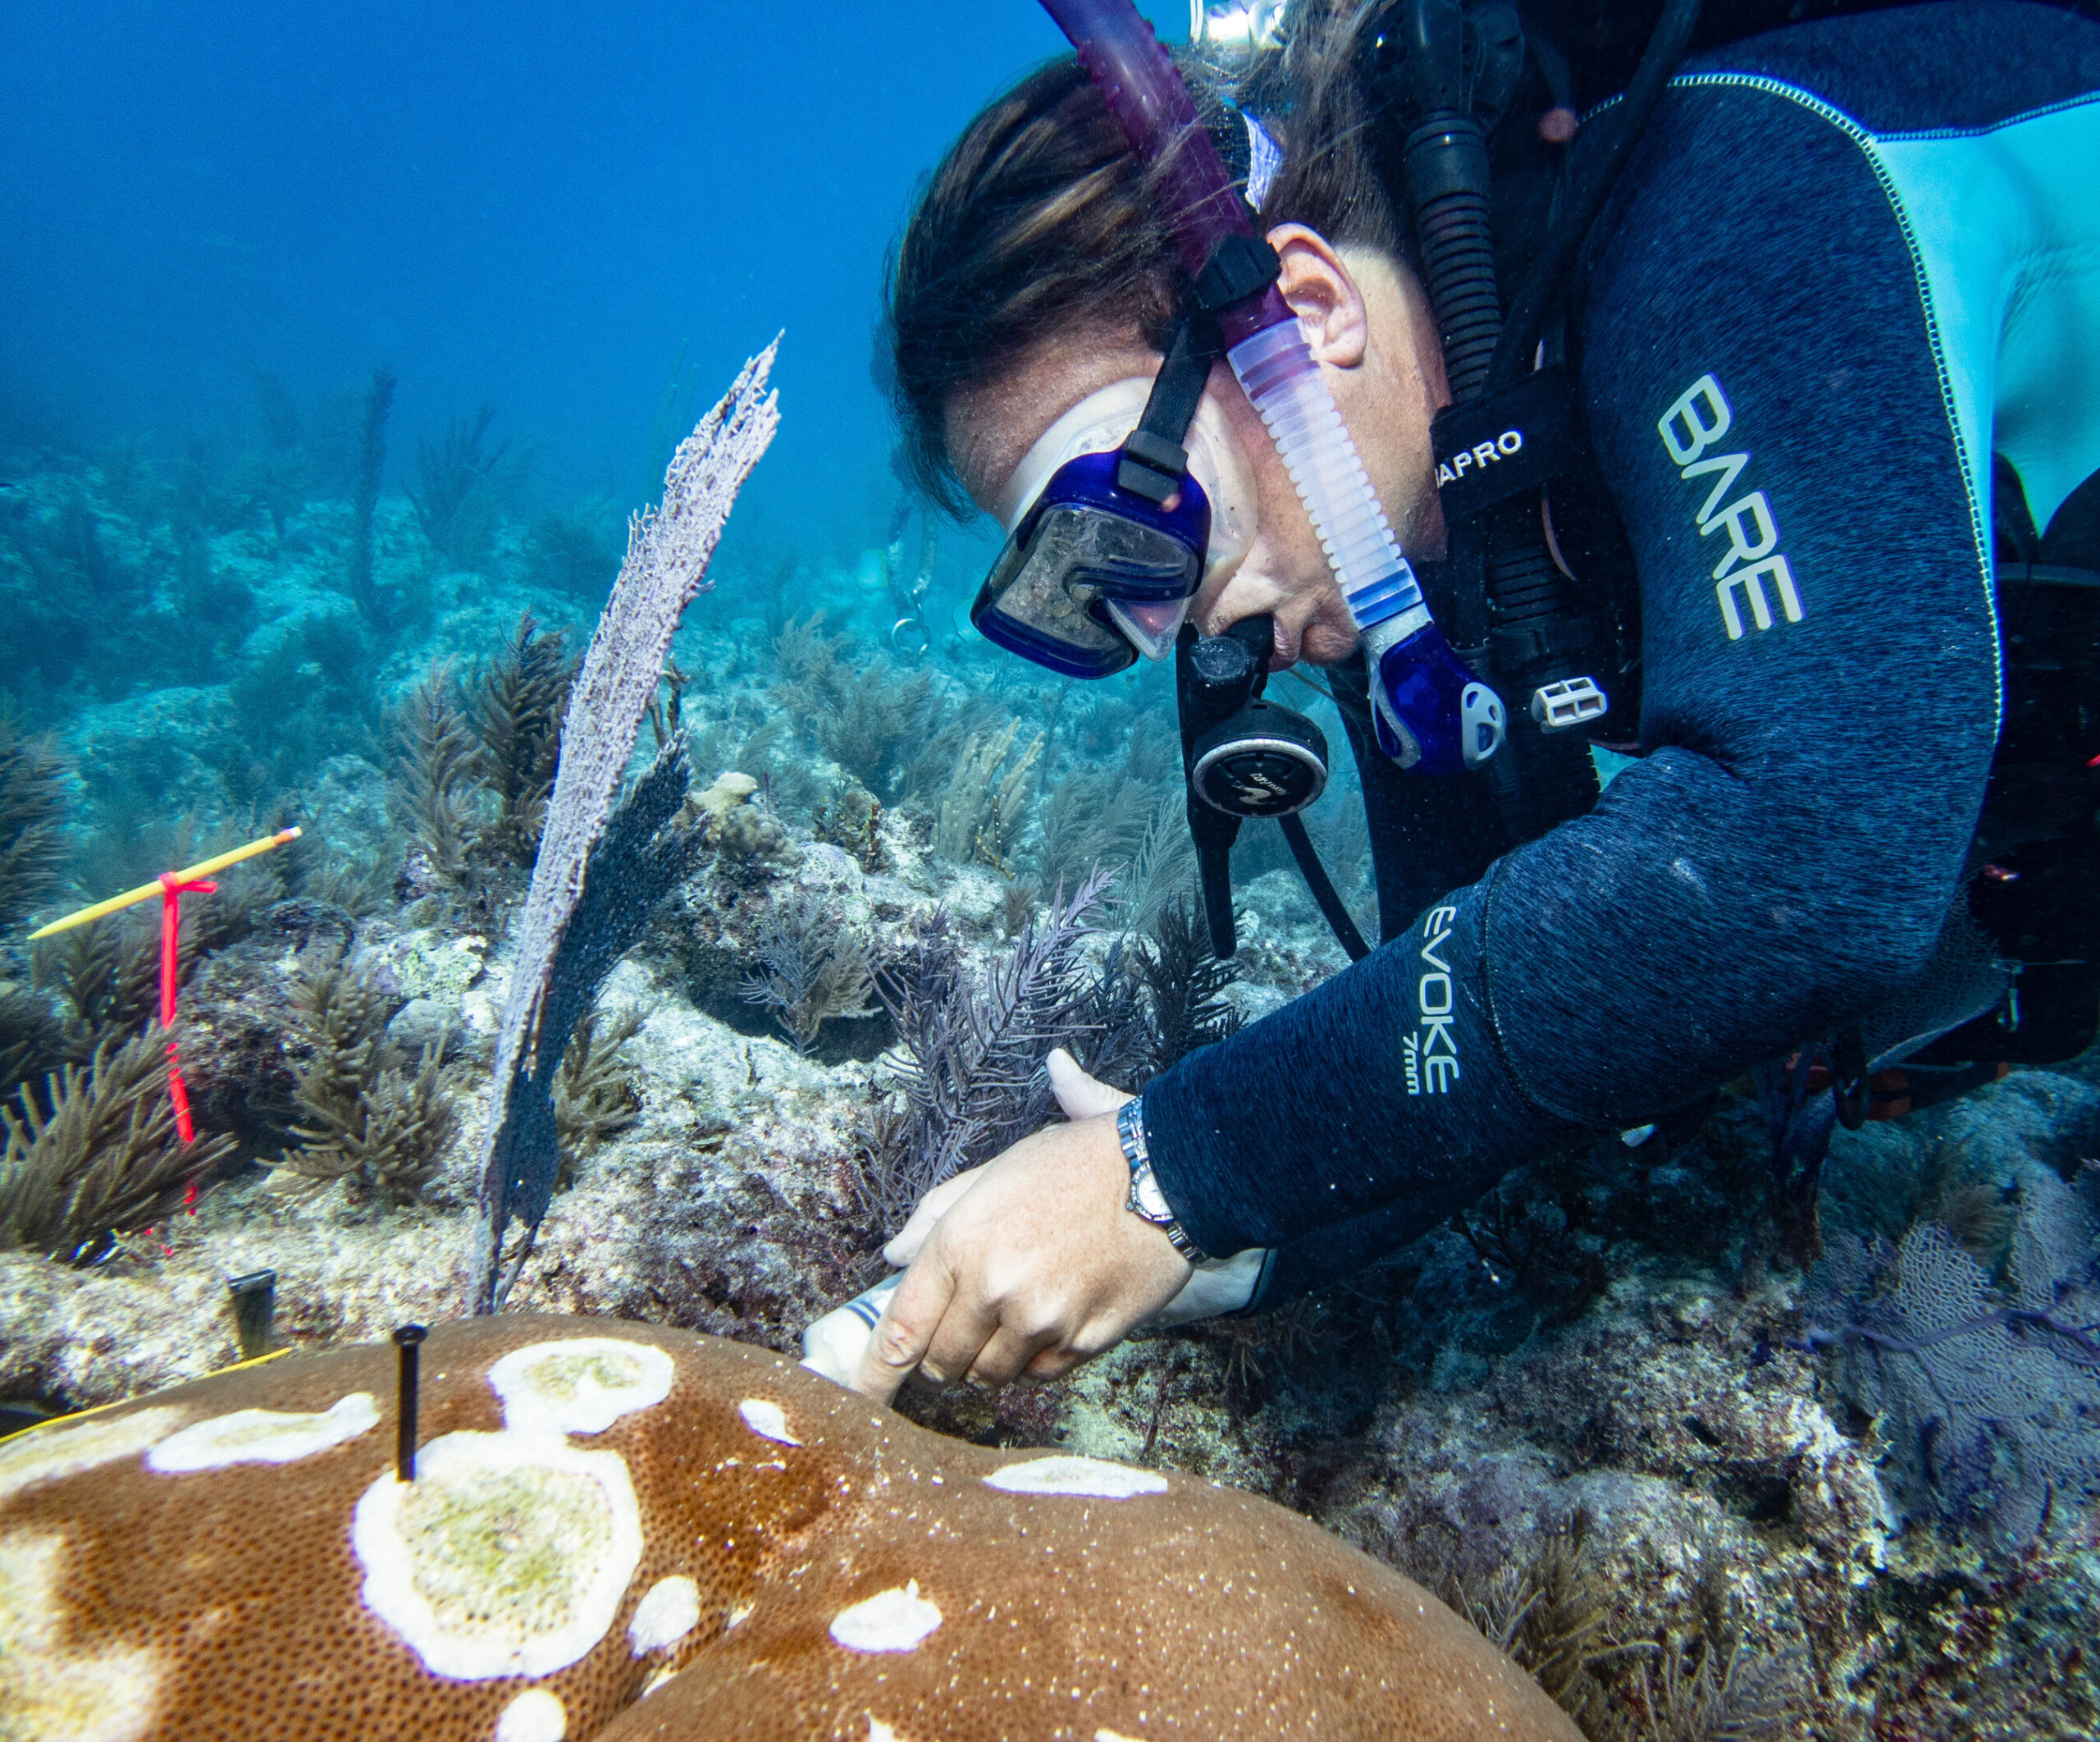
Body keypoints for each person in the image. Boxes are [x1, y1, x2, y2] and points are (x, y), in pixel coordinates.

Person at [842, 0, 2100, 1404]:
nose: (1169, 624)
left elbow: (1806, 855)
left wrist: (1168, 1173)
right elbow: (1453, 1013)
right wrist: (1234, 1249)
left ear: (1306, 313)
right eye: (1086, 590)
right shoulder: (1413, 582)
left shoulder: (1729, 203)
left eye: (1129, 513)